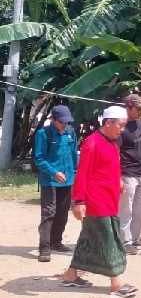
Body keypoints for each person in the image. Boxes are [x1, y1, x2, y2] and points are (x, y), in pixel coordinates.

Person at [62, 106, 137, 298]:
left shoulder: (113, 142)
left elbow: (112, 166)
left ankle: (71, 275)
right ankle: (116, 283)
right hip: (96, 202)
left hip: (109, 200)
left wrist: (119, 180)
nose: (122, 129)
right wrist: (79, 201)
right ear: (108, 123)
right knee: (109, 240)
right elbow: (82, 174)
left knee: (88, 239)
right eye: (120, 125)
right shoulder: (92, 143)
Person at [34, 104, 78, 263]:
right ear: (53, 120)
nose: (64, 124)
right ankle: (44, 248)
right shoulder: (43, 134)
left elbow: (74, 154)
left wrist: (74, 172)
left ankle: (56, 242)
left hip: (67, 180)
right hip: (50, 180)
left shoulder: (70, 132)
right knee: (48, 213)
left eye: (66, 122)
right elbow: (39, 159)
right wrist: (54, 172)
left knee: (63, 211)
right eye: (61, 122)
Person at [117, 94, 141, 255]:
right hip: (128, 174)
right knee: (126, 210)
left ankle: (135, 238)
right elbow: (115, 153)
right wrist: (118, 177)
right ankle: (125, 240)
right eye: (138, 109)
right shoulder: (121, 127)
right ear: (129, 108)